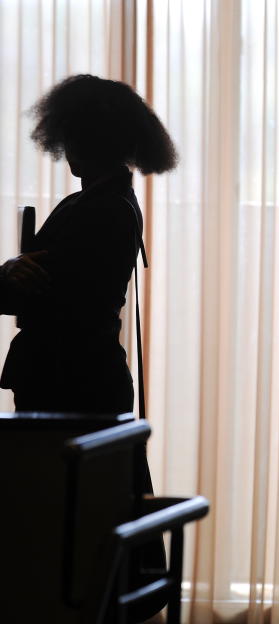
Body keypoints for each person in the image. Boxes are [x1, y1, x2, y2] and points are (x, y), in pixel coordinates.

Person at [0, 74, 176, 414]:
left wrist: (8, 273)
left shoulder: (97, 209)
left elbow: (30, 293)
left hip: (69, 386)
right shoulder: (112, 202)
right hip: (85, 379)